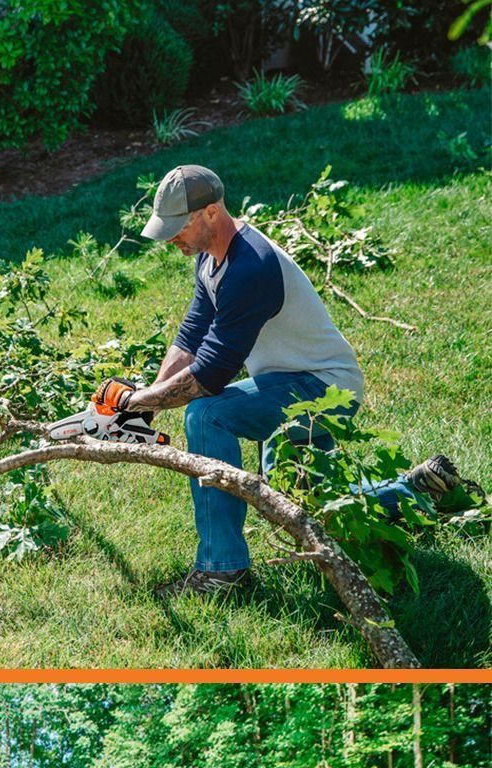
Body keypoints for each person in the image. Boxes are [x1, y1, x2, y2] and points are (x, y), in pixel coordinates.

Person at [98, 164, 472, 597]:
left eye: (177, 227)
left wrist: (138, 402)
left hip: (323, 390)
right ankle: (419, 489)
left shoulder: (250, 269)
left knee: (206, 415)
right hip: (289, 384)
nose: (169, 238)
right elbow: (191, 337)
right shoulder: (211, 257)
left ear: (212, 213)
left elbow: (210, 376)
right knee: (307, 507)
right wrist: (144, 405)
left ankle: (222, 571)